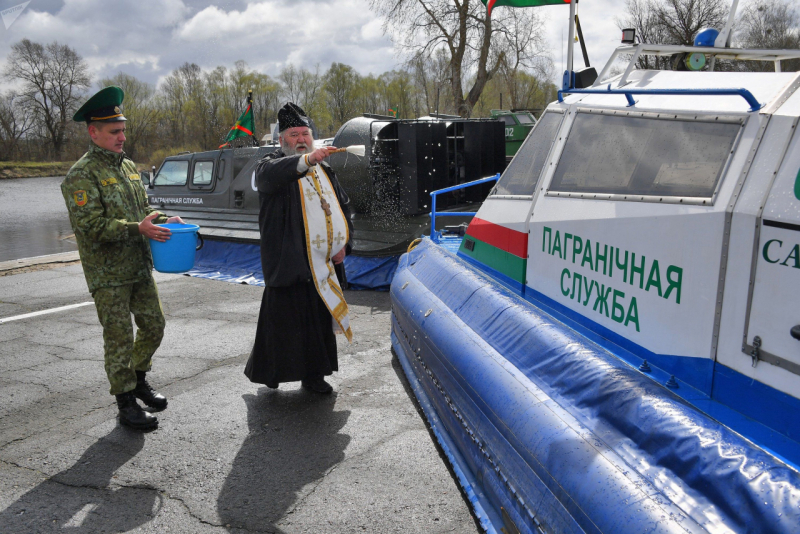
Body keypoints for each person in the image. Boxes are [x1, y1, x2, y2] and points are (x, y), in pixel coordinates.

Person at [61, 86, 182, 430]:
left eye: (123, 129)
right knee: (119, 339)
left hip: (138, 266)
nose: (122, 136)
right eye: (114, 131)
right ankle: (125, 402)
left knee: (154, 326)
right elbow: (90, 226)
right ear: (93, 132)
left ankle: (139, 378)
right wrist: (137, 229)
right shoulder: (80, 176)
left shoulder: (128, 166)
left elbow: (141, 210)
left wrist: (160, 218)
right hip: (108, 274)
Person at [245, 102, 353, 394]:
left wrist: (345, 245)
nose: (301, 139)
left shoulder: (325, 169)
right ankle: (271, 373)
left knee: (318, 321)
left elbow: (343, 209)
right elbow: (267, 176)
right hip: (287, 261)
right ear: (281, 140)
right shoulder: (269, 165)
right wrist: (306, 161)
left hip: (321, 265)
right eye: (294, 134)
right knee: (280, 324)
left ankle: (315, 375)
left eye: (305, 133)